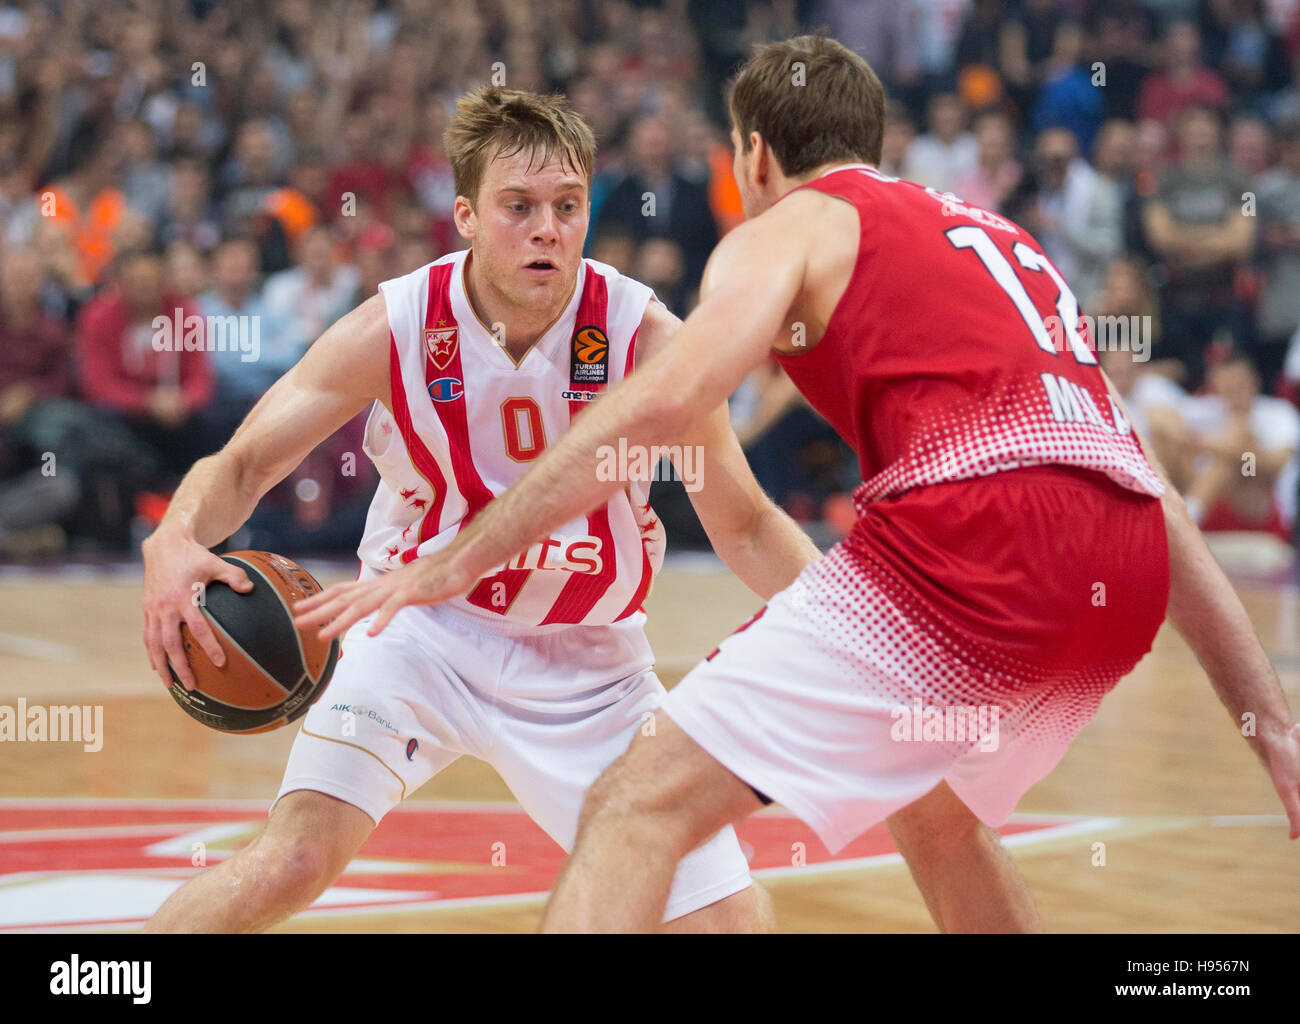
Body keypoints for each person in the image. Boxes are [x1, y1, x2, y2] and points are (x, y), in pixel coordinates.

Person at [296, 36, 1300, 933]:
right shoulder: (1005, 244)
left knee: (636, 801)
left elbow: (665, 398)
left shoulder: (784, 226)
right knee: (937, 811)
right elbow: (1147, 494)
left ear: (755, 156)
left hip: (974, 546)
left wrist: (459, 558)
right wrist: (1273, 725)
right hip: (1115, 575)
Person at [141, 86, 820, 933]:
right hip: (419, 631)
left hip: (589, 666)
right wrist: (172, 539)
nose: (548, 228)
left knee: (724, 924)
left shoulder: (648, 339)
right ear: (465, 214)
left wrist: (859, 630)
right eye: (519, 207)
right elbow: (243, 465)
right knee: (295, 859)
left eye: (568, 206)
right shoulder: (393, 327)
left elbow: (746, 523)